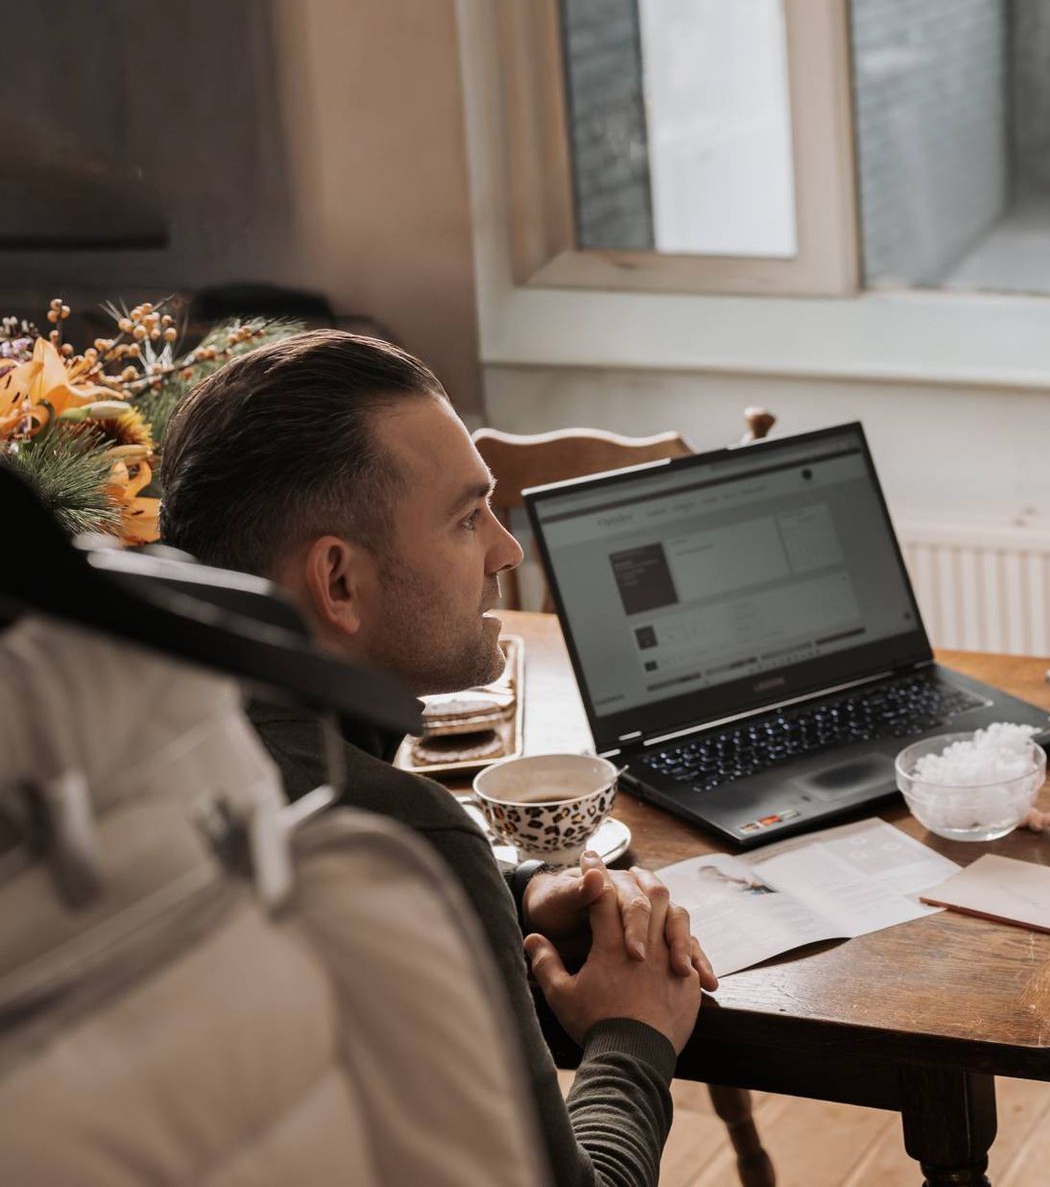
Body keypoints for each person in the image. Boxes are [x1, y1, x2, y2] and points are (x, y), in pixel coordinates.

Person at [159, 330, 718, 1187]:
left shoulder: (157, 742)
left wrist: (519, 893)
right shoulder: (397, 831)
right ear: (338, 583)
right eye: (467, 518)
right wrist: (633, 1033)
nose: (506, 549)